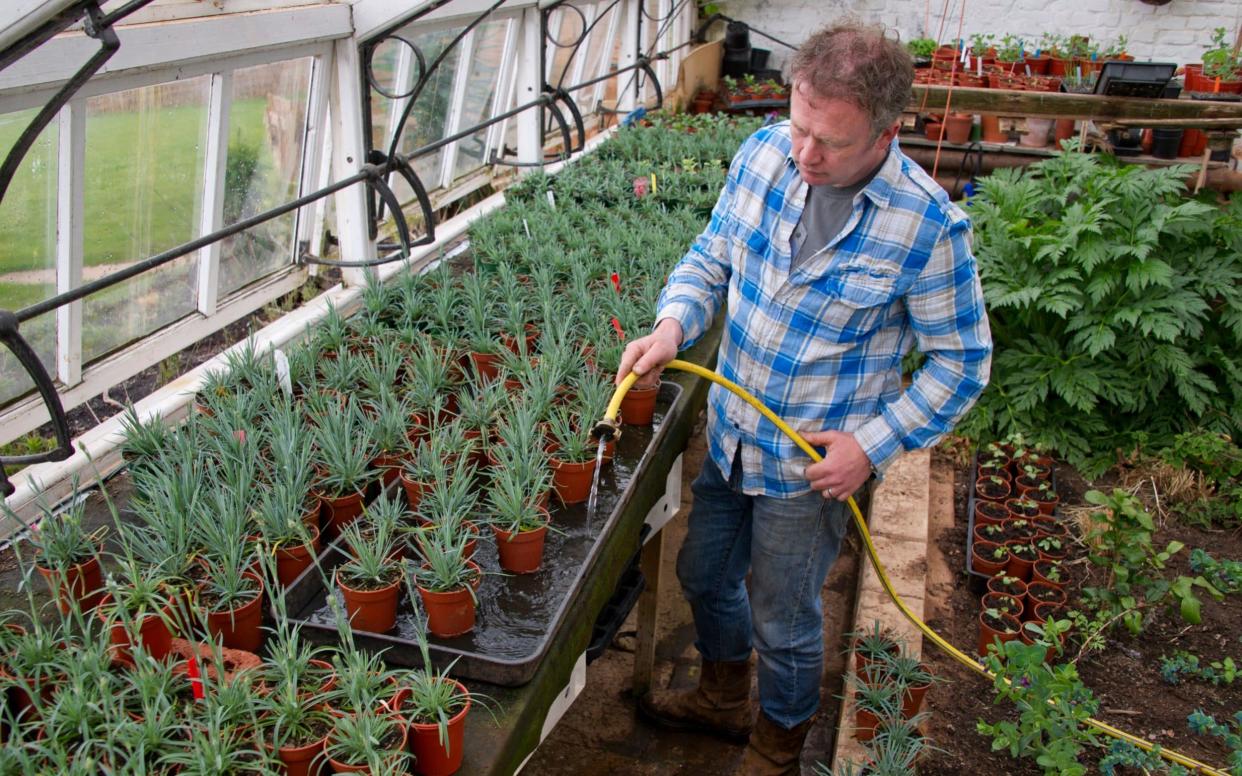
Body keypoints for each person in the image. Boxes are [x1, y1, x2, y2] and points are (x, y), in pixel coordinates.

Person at [615, 21, 993, 775]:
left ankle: (776, 740)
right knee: (702, 575)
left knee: (784, 618)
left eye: (832, 142)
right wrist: (671, 325)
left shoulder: (926, 227)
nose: (806, 155)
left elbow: (963, 362)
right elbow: (710, 256)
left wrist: (872, 446)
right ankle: (724, 697)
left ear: (887, 132)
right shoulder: (762, 155)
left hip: (812, 471)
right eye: (799, 127)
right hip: (730, 435)